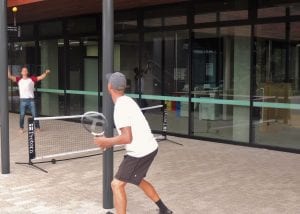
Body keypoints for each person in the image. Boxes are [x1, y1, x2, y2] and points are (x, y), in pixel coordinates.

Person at [94, 72, 172, 214]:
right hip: (149, 147)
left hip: (140, 152)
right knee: (137, 179)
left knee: (116, 185)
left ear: (109, 86)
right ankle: (164, 209)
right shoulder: (127, 100)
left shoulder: (120, 108)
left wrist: (106, 142)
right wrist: (108, 141)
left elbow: (127, 137)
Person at [8, 66, 50, 133]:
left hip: (31, 101)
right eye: (23, 70)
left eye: (25, 70)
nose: (24, 71)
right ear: (21, 72)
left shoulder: (32, 79)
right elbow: (9, 76)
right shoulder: (18, 79)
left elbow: (41, 77)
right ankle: (21, 128)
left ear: (27, 72)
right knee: (22, 115)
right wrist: (7, 68)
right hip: (23, 101)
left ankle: (37, 128)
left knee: (35, 115)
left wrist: (46, 73)